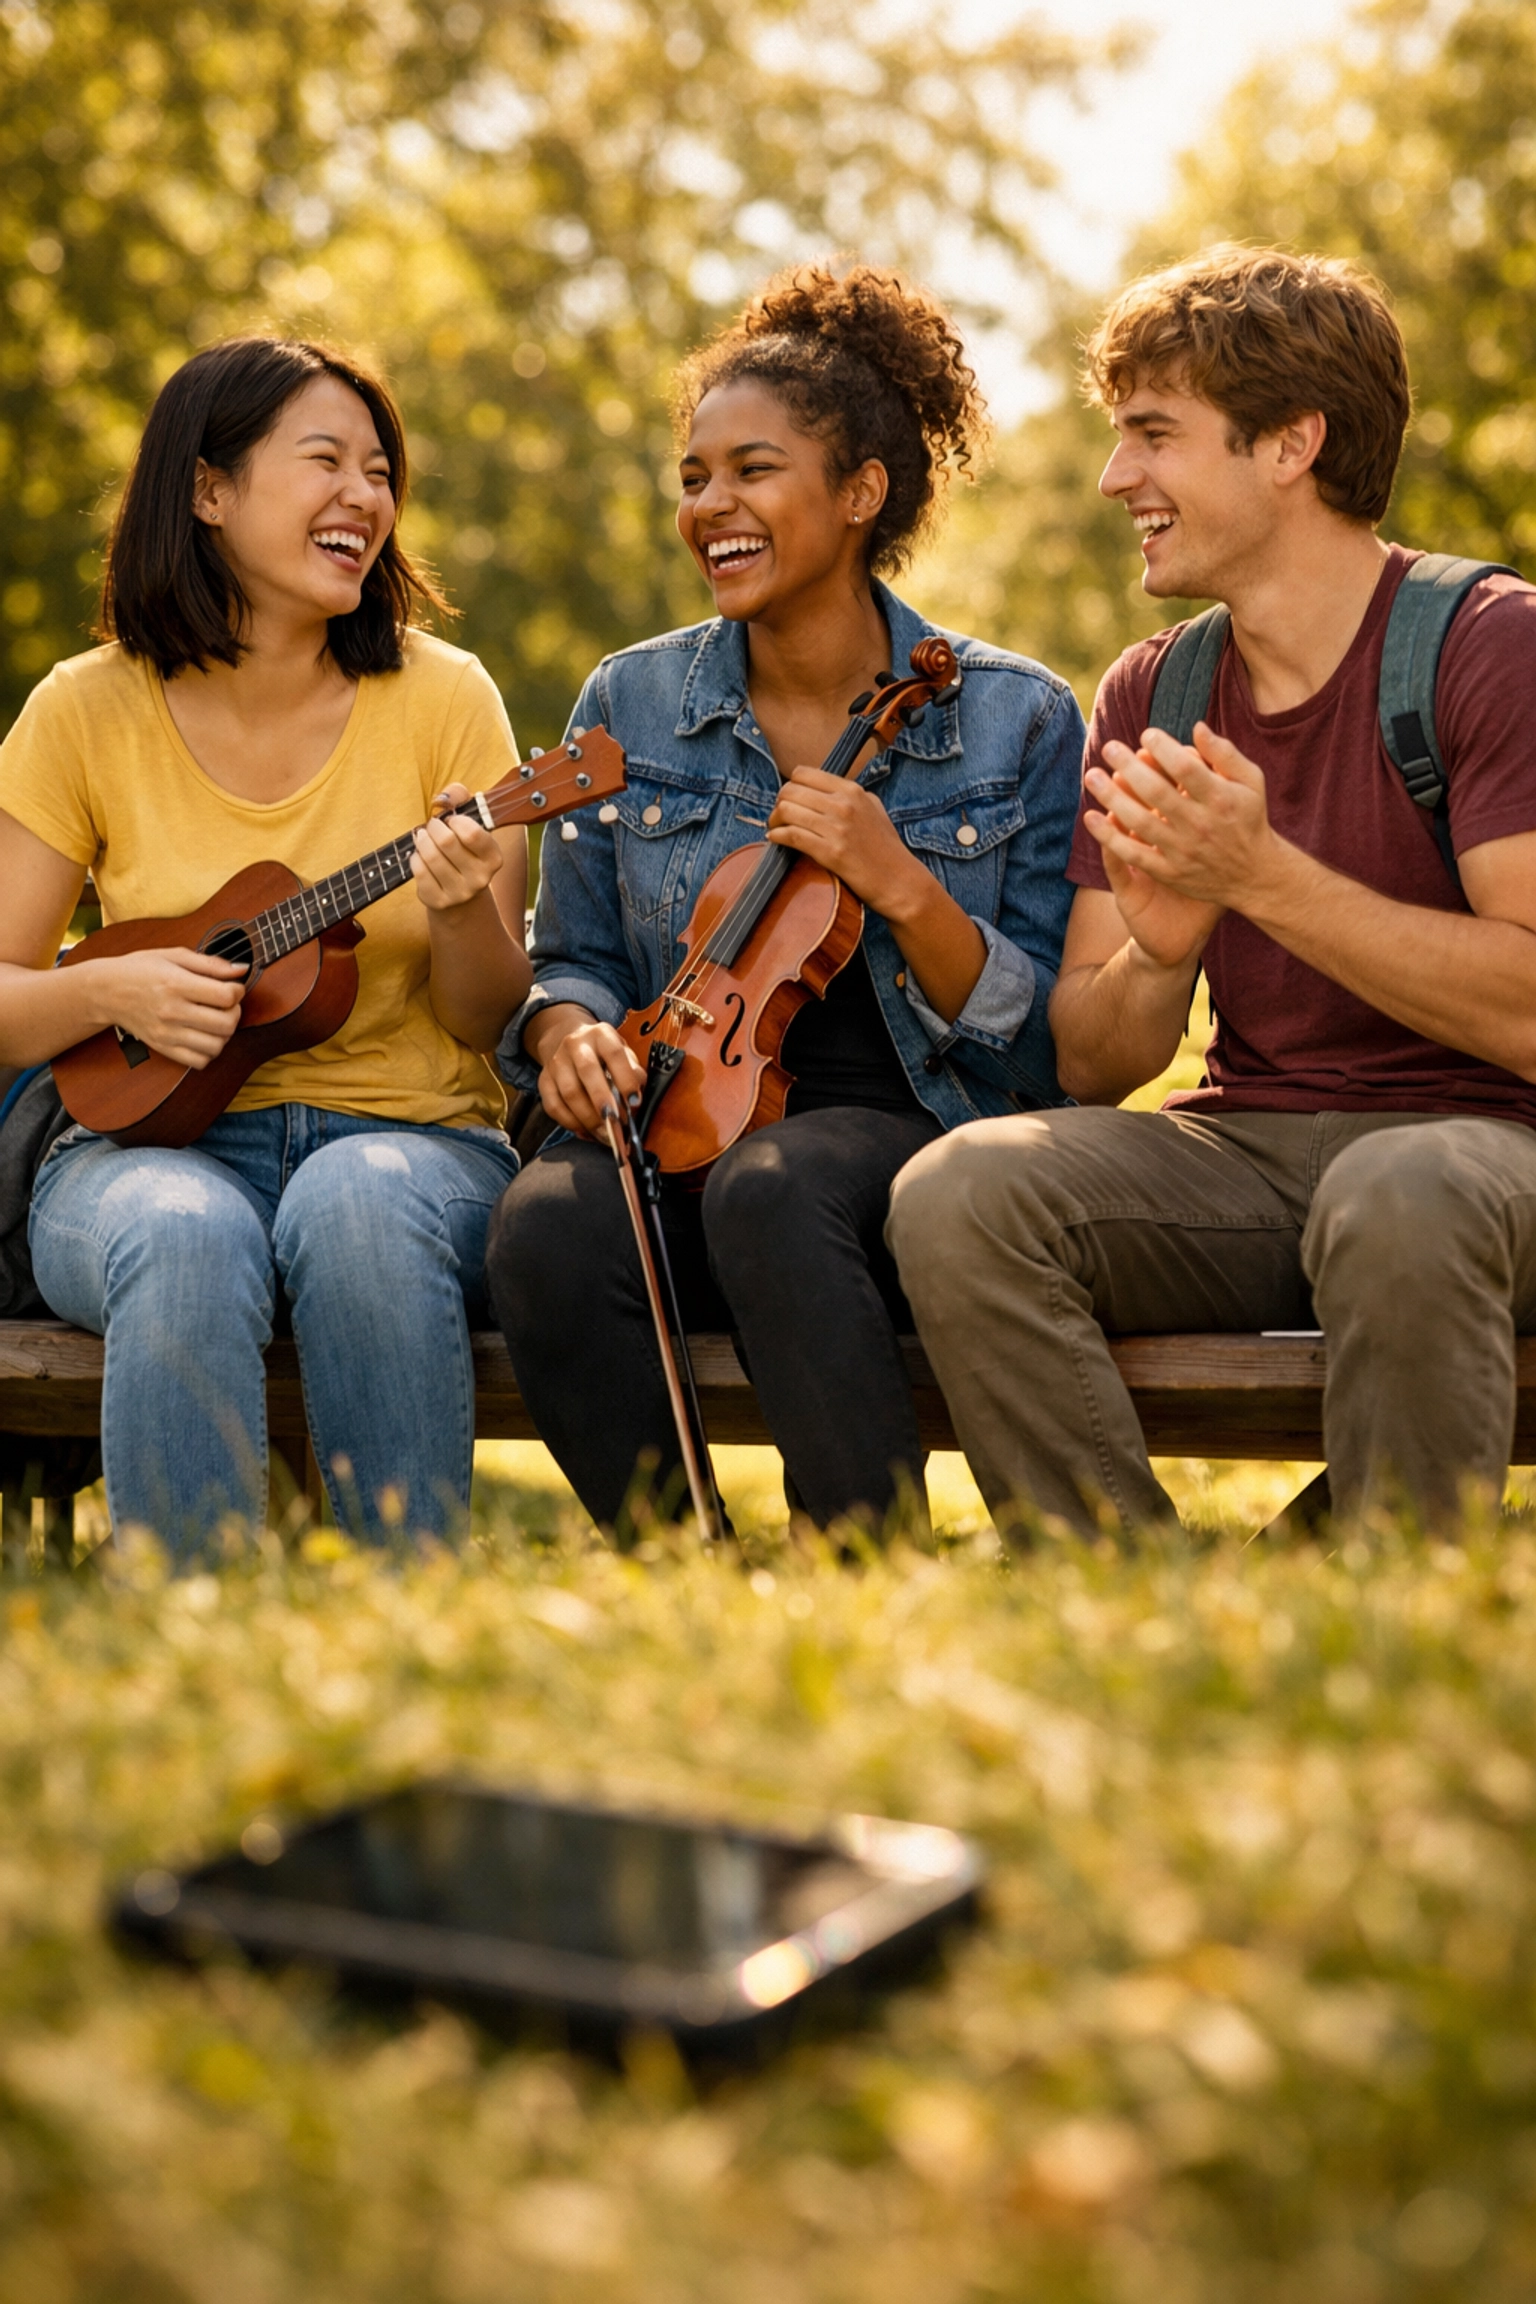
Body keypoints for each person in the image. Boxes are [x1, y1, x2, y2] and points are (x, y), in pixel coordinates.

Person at [888, 246, 1536, 1538]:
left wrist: (1265, 879)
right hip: (1249, 1152)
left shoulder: (1490, 645)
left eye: (1153, 435)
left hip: (1484, 1155)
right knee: (962, 1189)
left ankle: (1385, 1609)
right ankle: (1120, 1598)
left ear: (1291, 443)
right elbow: (1090, 1059)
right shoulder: (1152, 692)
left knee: (1395, 1193)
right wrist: (1162, 952)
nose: (1117, 476)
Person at [487, 263, 1083, 1539]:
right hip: (684, 1109)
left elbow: (1048, 1052)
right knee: (543, 1222)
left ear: (860, 493)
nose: (712, 506)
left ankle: (861, 1561)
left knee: (775, 1184)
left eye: (753, 471)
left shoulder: (1013, 715)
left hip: (902, 1140)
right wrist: (565, 1037)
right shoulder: (633, 703)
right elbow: (575, 955)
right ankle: (682, 1575)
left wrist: (903, 883)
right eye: (695, 477)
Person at [0, 336, 532, 1552]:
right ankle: (193, 1633)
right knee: (183, 1234)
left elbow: (484, 1017)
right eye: (326, 461)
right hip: (137, 1148)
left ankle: (409, 1613)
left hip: (413, 1141)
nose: (367, 495)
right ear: (209, 491)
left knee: (356, 1202)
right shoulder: (84, 710)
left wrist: (460, 911)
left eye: (382, 470)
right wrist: (113, 988)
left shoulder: (447, 699)